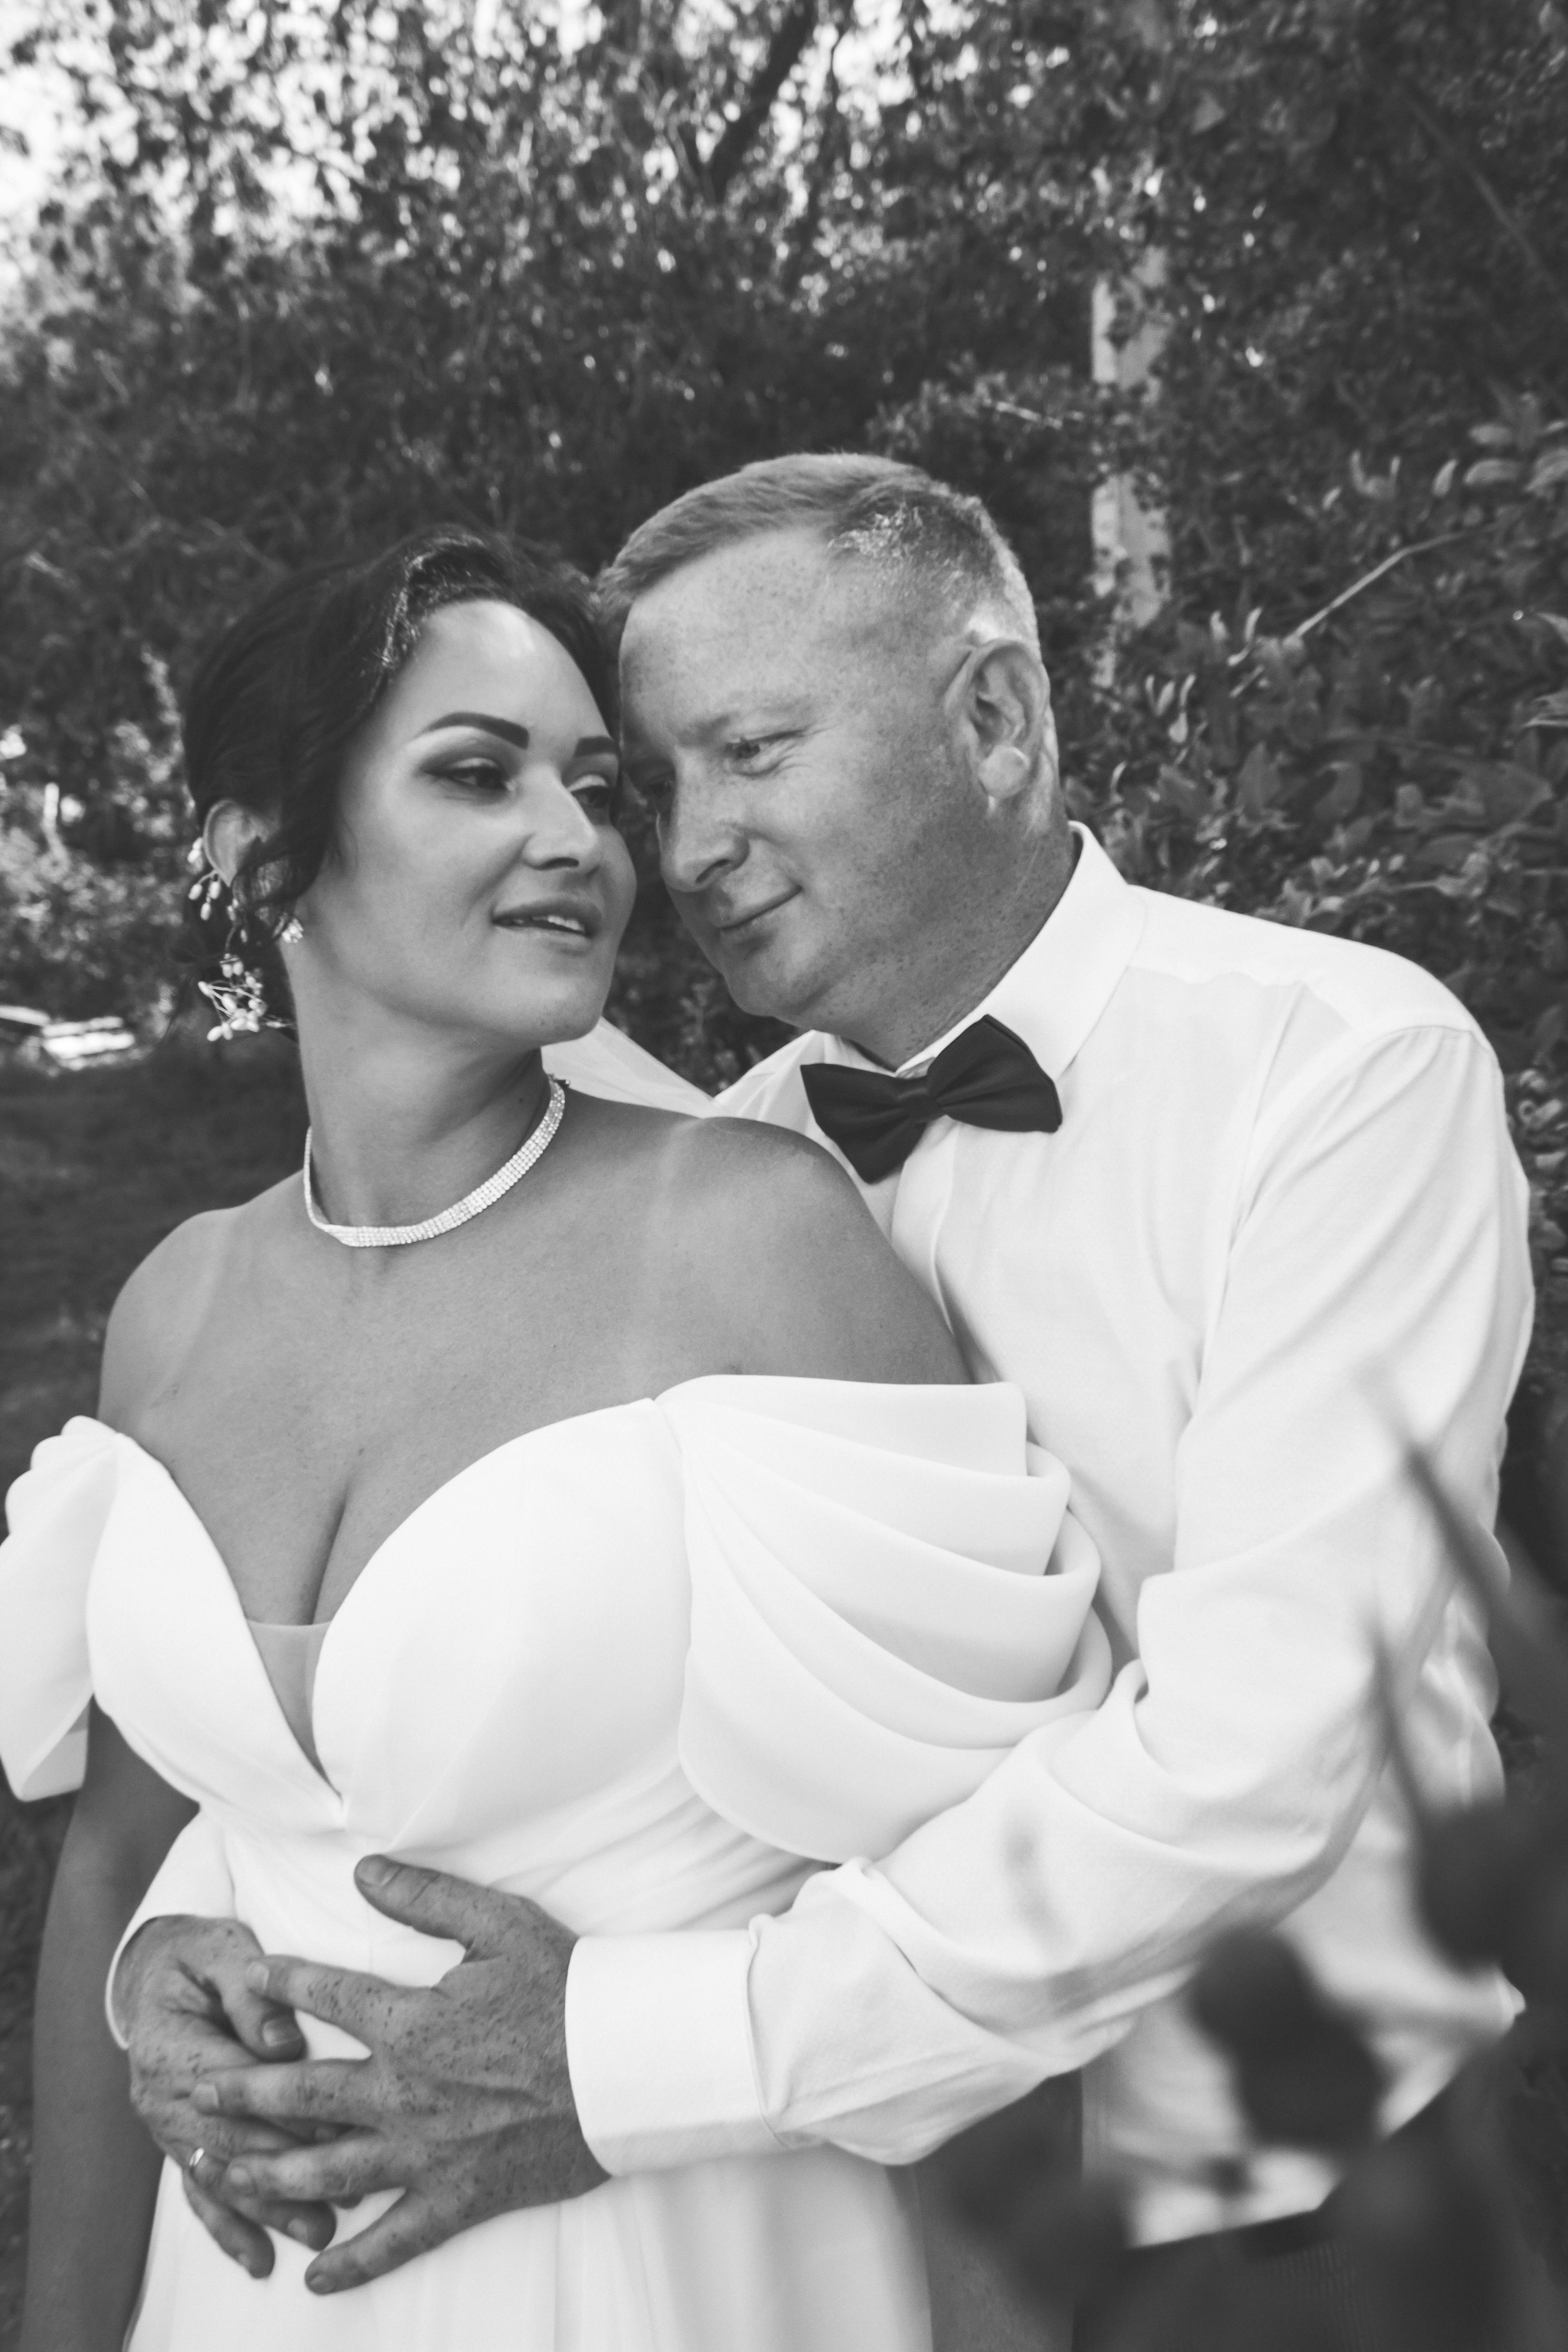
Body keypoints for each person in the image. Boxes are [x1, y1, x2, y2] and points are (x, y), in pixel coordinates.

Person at [93, 457, 1531, 2347]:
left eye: (750, 751)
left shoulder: (1337, 1071)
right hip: (852, 2203)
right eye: (656, 785)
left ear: (997, 718)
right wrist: (196, 1965)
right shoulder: (734, 1173)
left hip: (1283, 2203)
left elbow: (1255, 1756)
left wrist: (621, 2055)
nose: (681, 850)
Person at [0, 521, 1112, 2352]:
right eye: (476, 773)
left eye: (602, 789)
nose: (580, 840)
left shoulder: (749, 1238)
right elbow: (124, 1863)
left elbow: (989, 1925)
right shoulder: (173, 1309)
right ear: (257, 847)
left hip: (698, 2281)